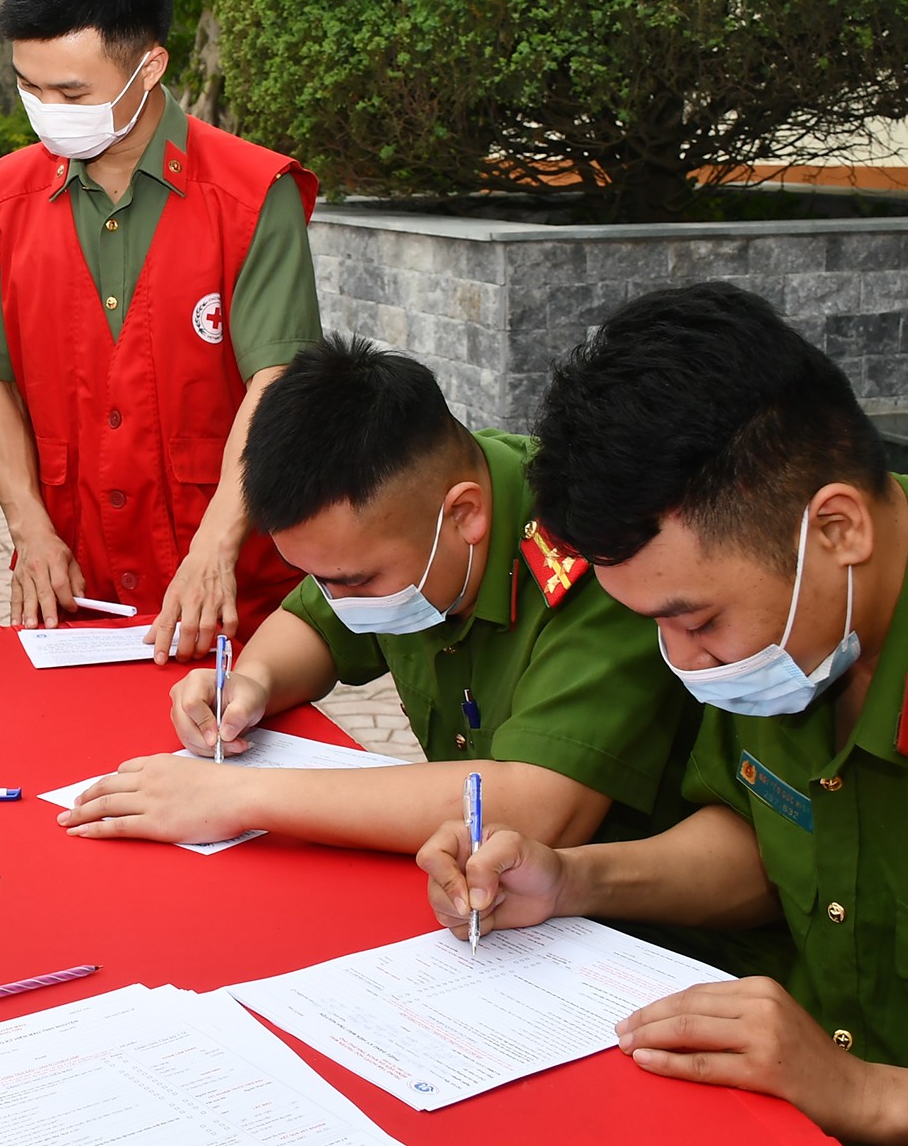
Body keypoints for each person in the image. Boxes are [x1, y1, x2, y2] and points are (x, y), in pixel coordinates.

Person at [419, 283, 908, 1142]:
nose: (682, 662)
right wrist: (573, 877)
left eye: (698, 620)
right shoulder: (803, 622)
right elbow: (765, 836)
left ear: (837, 528)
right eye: (654, 627)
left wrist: (867, 1094)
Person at [59, 335, 703, 855]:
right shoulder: (408, 530)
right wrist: (250, 683)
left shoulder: (593, 546)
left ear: (466, 514)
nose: (340, 598)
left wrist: (235, 797)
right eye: (320, 577)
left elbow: (536, 808)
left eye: (357, 581)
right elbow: (310, 627)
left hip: (650, 937)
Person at [0, 0, 322, 660]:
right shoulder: (5, 200)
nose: (47, 109)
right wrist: (28, 527)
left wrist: (215, 547)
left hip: (227, 600)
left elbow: (278, 382)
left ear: (149, 67)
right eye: (29, 86)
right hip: (70, 595)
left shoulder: (249, 196)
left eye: (72, 91)